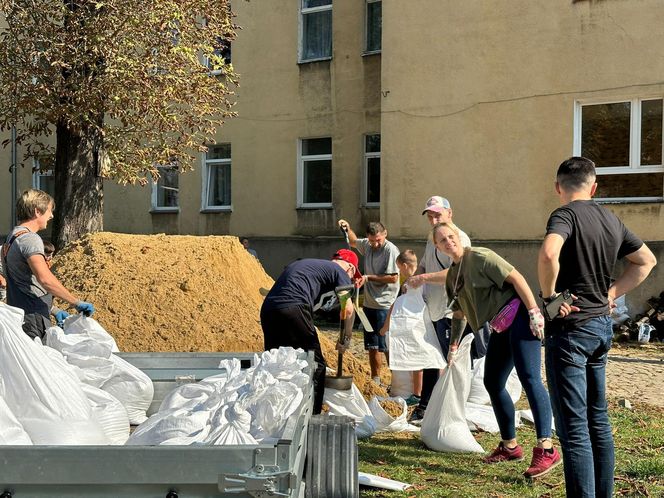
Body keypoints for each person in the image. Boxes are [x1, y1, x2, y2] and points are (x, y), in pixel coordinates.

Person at [538, 157, 656, 497]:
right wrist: (611, 294)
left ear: (558, 187)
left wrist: (549, 298)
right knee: (598, 421)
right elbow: (647, 261)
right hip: (601, 329)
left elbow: (548, 255)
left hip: (572, 331)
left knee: (574, 429)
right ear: (594, 187)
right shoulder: (610, 218)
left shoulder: (564, 215)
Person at [437, 221, 561, 479]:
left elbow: (517, 278)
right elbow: (459, 313)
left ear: (459, 236)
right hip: (499, 327)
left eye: (451, 236)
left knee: (530, 379)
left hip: (518, 317)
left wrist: (534, 311)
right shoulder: (452, 276)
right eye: (442, 240)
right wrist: (454, 344)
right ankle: (509, 446)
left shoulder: (480, 256)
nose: (449, 242)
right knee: (492, 381)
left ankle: (547, 448)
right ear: (438, 247)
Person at [260, 249, 361, 414]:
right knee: (315, 364)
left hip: (269, 309)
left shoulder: (312, 267)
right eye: (352, 276)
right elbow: (348, 310)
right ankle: (312, 415)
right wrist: (346, 339)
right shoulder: (339, 272)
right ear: (350, 268)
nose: (350, 279)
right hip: (294, 307)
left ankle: (270, 412)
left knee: (275, 363)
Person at [405, 196, 472, 423]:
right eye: (430, 216)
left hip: (452, 311)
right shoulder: (432, 237)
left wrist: (424, 278)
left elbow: (457, 273)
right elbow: (424, 263)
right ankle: (427, 408)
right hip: (433, 309)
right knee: (431, 358)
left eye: (438, 214)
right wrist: (414, 279)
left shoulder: (458, 238)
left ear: (449, 213)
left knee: (450, 360)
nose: (434, 219)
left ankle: (446, 410)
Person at [1, 189, 95, 340]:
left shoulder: (11, 239)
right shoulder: (30, 239)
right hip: (33, 318)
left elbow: (23, 282)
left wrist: (54, 310)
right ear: (37, 211)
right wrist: (76, 302)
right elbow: (44, 279)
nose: (51, 216)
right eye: (50, 211)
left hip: (21, 313)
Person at [337, 219, 400, 385]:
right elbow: (352, 241)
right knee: (372, 345)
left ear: (385, 234)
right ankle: (376, 380)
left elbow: (393, 278)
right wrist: (348, 228)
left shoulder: (390, 250)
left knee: (385, 345)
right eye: (372, 241)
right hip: (369, 305)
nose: (375, 244)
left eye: (378, 240)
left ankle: (398, 381)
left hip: (385, 304)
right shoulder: (368, 245)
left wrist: (367, 277)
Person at [379, 249, 422, 405]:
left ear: (404, 265)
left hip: (416, 326)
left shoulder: (415, 282)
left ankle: (417, 394)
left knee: (418, 362)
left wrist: (387, 326)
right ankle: (417, 392)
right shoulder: (415, 281)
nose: (399, 272)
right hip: (412, 325)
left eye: (399, 268)